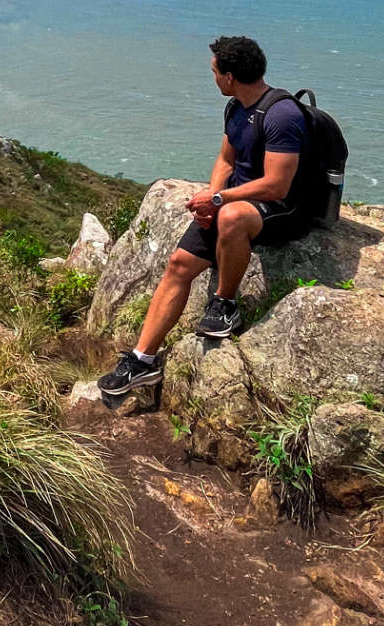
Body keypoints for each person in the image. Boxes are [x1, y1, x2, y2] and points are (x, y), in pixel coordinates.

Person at [98, 35, 313, 400]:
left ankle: (225, 303)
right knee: (179, 263)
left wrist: (220, 200)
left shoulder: (282, 115)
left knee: (230, 217)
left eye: (215, 71)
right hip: (237, 203)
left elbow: (277, 186)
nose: (213, 77)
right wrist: (211, 200)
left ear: (229, 77)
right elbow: (227, 161)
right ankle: (142, 360)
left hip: (283, 210)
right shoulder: (236, 108)